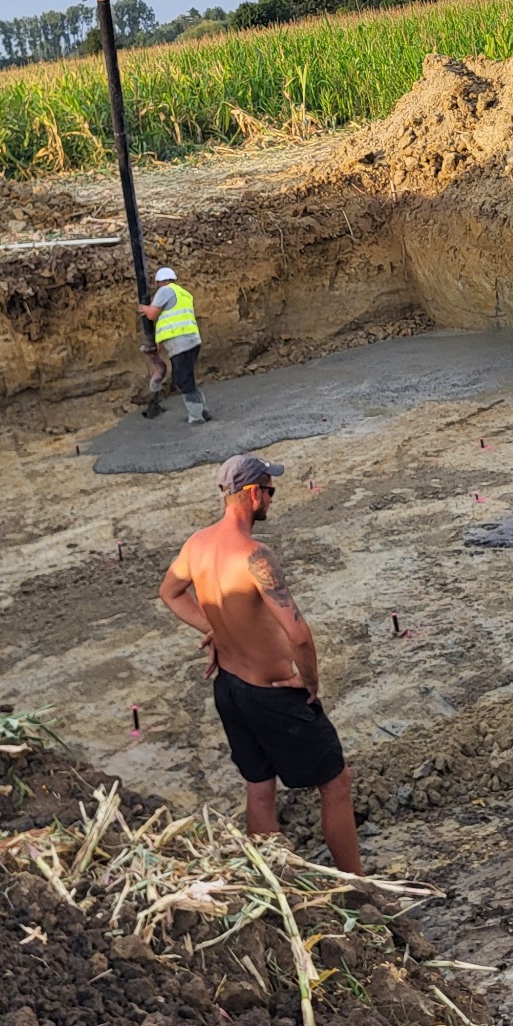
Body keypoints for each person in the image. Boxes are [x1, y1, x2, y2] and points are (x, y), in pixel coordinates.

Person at [158, 453, 362, 873]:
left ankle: (272, 882)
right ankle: (359, 887)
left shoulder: (197, 544)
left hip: (230, 689)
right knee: (336, 783)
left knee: (259, 788)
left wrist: (212, 628)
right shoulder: (256, 556)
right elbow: (298, 633)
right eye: (269, 491)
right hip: (272, 696)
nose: (272, 499)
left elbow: (171, 592)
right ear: (252, 494)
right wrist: (309, 682)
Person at [139, 266, 209, 424]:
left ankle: (196, 417)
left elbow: (152, 314)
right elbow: (171, 320)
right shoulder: (183, 293)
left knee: (183, 379)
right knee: (188, 377)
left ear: (158, 282)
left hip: (181, 343)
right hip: (191, 341)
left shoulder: (165, 291)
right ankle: (202, 410)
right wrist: (160, 341)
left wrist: (145, 308)